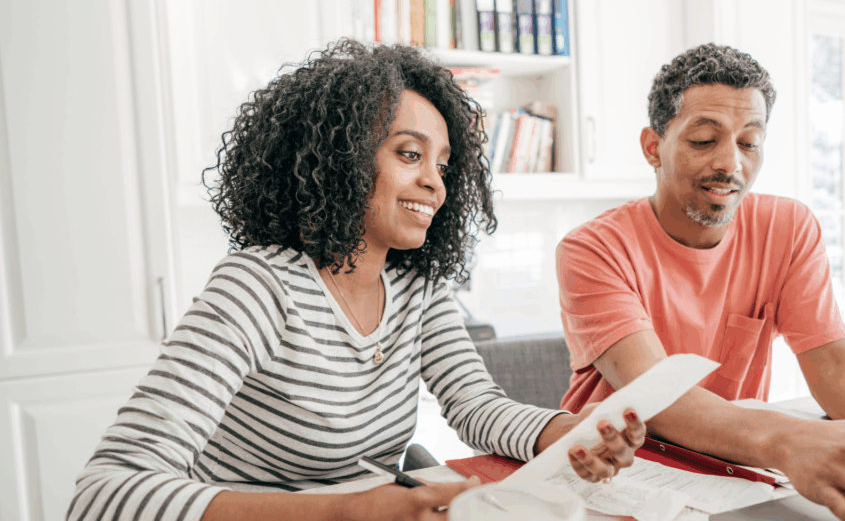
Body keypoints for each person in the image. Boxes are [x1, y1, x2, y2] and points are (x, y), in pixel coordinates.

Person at [67, 40, 647, 521]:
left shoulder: (417, 288)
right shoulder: (259, 287)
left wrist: (570, 431)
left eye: (442, 164)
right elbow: (104, 491)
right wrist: (347, 511)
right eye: (409, 154)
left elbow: (476, 406)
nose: (436, 185)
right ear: (339, 158)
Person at [556, 43, 845, 521]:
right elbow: (659, 399)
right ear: (654, 147)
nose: (730, 164)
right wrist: (790, 438)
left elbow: (835, 367)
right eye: (703, 140)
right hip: (611, 473)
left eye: (748, 142)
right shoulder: (592, 248)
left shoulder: (788, 226)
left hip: (728, 472)